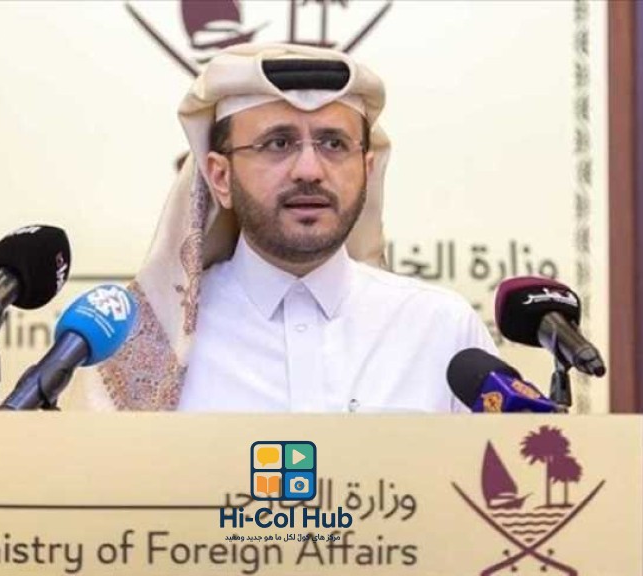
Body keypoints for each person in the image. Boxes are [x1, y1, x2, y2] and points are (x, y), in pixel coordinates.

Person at [67, 42, 496, 412]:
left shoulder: (441, 329)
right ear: (220, 177)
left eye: (334, 144)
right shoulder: (146, 345)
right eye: (278, 143)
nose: (310, 170)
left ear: (367, 170)